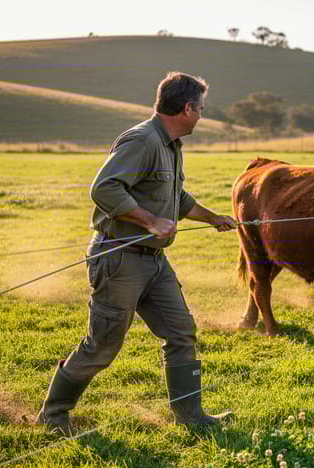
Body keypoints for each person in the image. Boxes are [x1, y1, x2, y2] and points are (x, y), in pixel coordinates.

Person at [37, 72, 237, 434]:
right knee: (104, 345)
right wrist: (150, 221)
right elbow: (104, 188)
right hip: (119, 260)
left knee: (181, 332)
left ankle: (191, 417)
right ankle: (53, 414)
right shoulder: (142, 140)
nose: (202, 115)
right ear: (187, 108)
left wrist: (213, 219)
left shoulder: (171, 145)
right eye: (201, 109)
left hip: (154, 263)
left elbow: (177, 199)